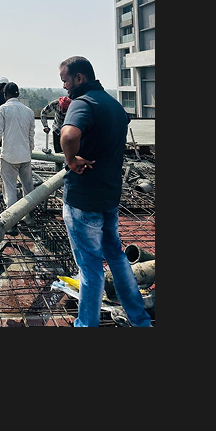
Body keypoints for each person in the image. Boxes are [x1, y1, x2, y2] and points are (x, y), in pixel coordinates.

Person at [57, 55, 151, 327]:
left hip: (83, 199)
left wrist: (70, 160)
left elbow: (69, 135)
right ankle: (140, 319)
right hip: (109, 195)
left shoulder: (82, 103)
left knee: (90, 268)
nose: (64, 86)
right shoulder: (114, 105)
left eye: (65, 80)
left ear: (79, 78)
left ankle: (86, 324)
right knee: (117, 259)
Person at [0, 82, 36, 235]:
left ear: (5, 95)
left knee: (10, 190)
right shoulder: (29, 111)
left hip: (9, 156)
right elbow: (31, 136)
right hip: (25, 156)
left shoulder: (3, 109)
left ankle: (11, 224)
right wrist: (29, 152)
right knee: (28, 188)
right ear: (18, 94)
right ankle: (29, 218)